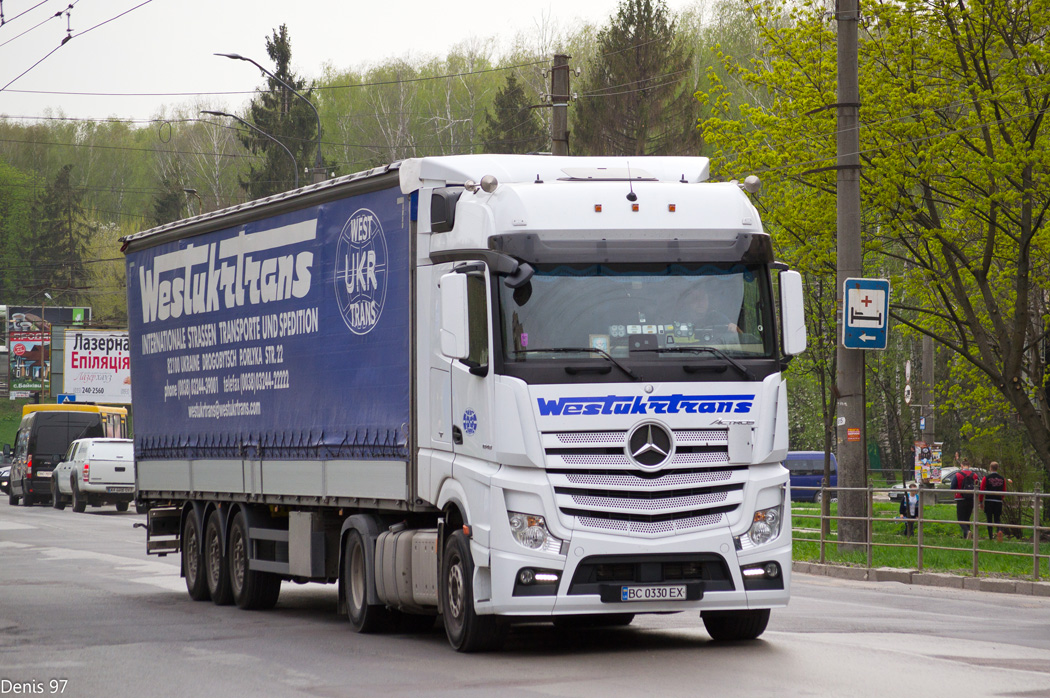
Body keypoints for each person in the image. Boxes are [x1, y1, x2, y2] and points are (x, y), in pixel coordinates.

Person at [980, 461, 1007, 542]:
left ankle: (991, 536)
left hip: (989, 500)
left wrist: (981, 501)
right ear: (997, 468)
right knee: (997, 518)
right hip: (998, 501)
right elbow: (1004, 491)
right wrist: (1001, 498)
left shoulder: (986, 478)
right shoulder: (1002, 479)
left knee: (989, 519)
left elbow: (981, 489)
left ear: (990, 468)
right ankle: (999, 530)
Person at [951, 458, 977, 539]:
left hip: (960, 498)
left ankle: (967, 532)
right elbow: (978, 486)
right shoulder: (974, 475)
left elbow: (952, 487)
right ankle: (967, 537)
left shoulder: (958, 475)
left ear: (961, 465)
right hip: (971, 498)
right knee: (967, 518)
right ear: (969, 466)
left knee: (960, 519)